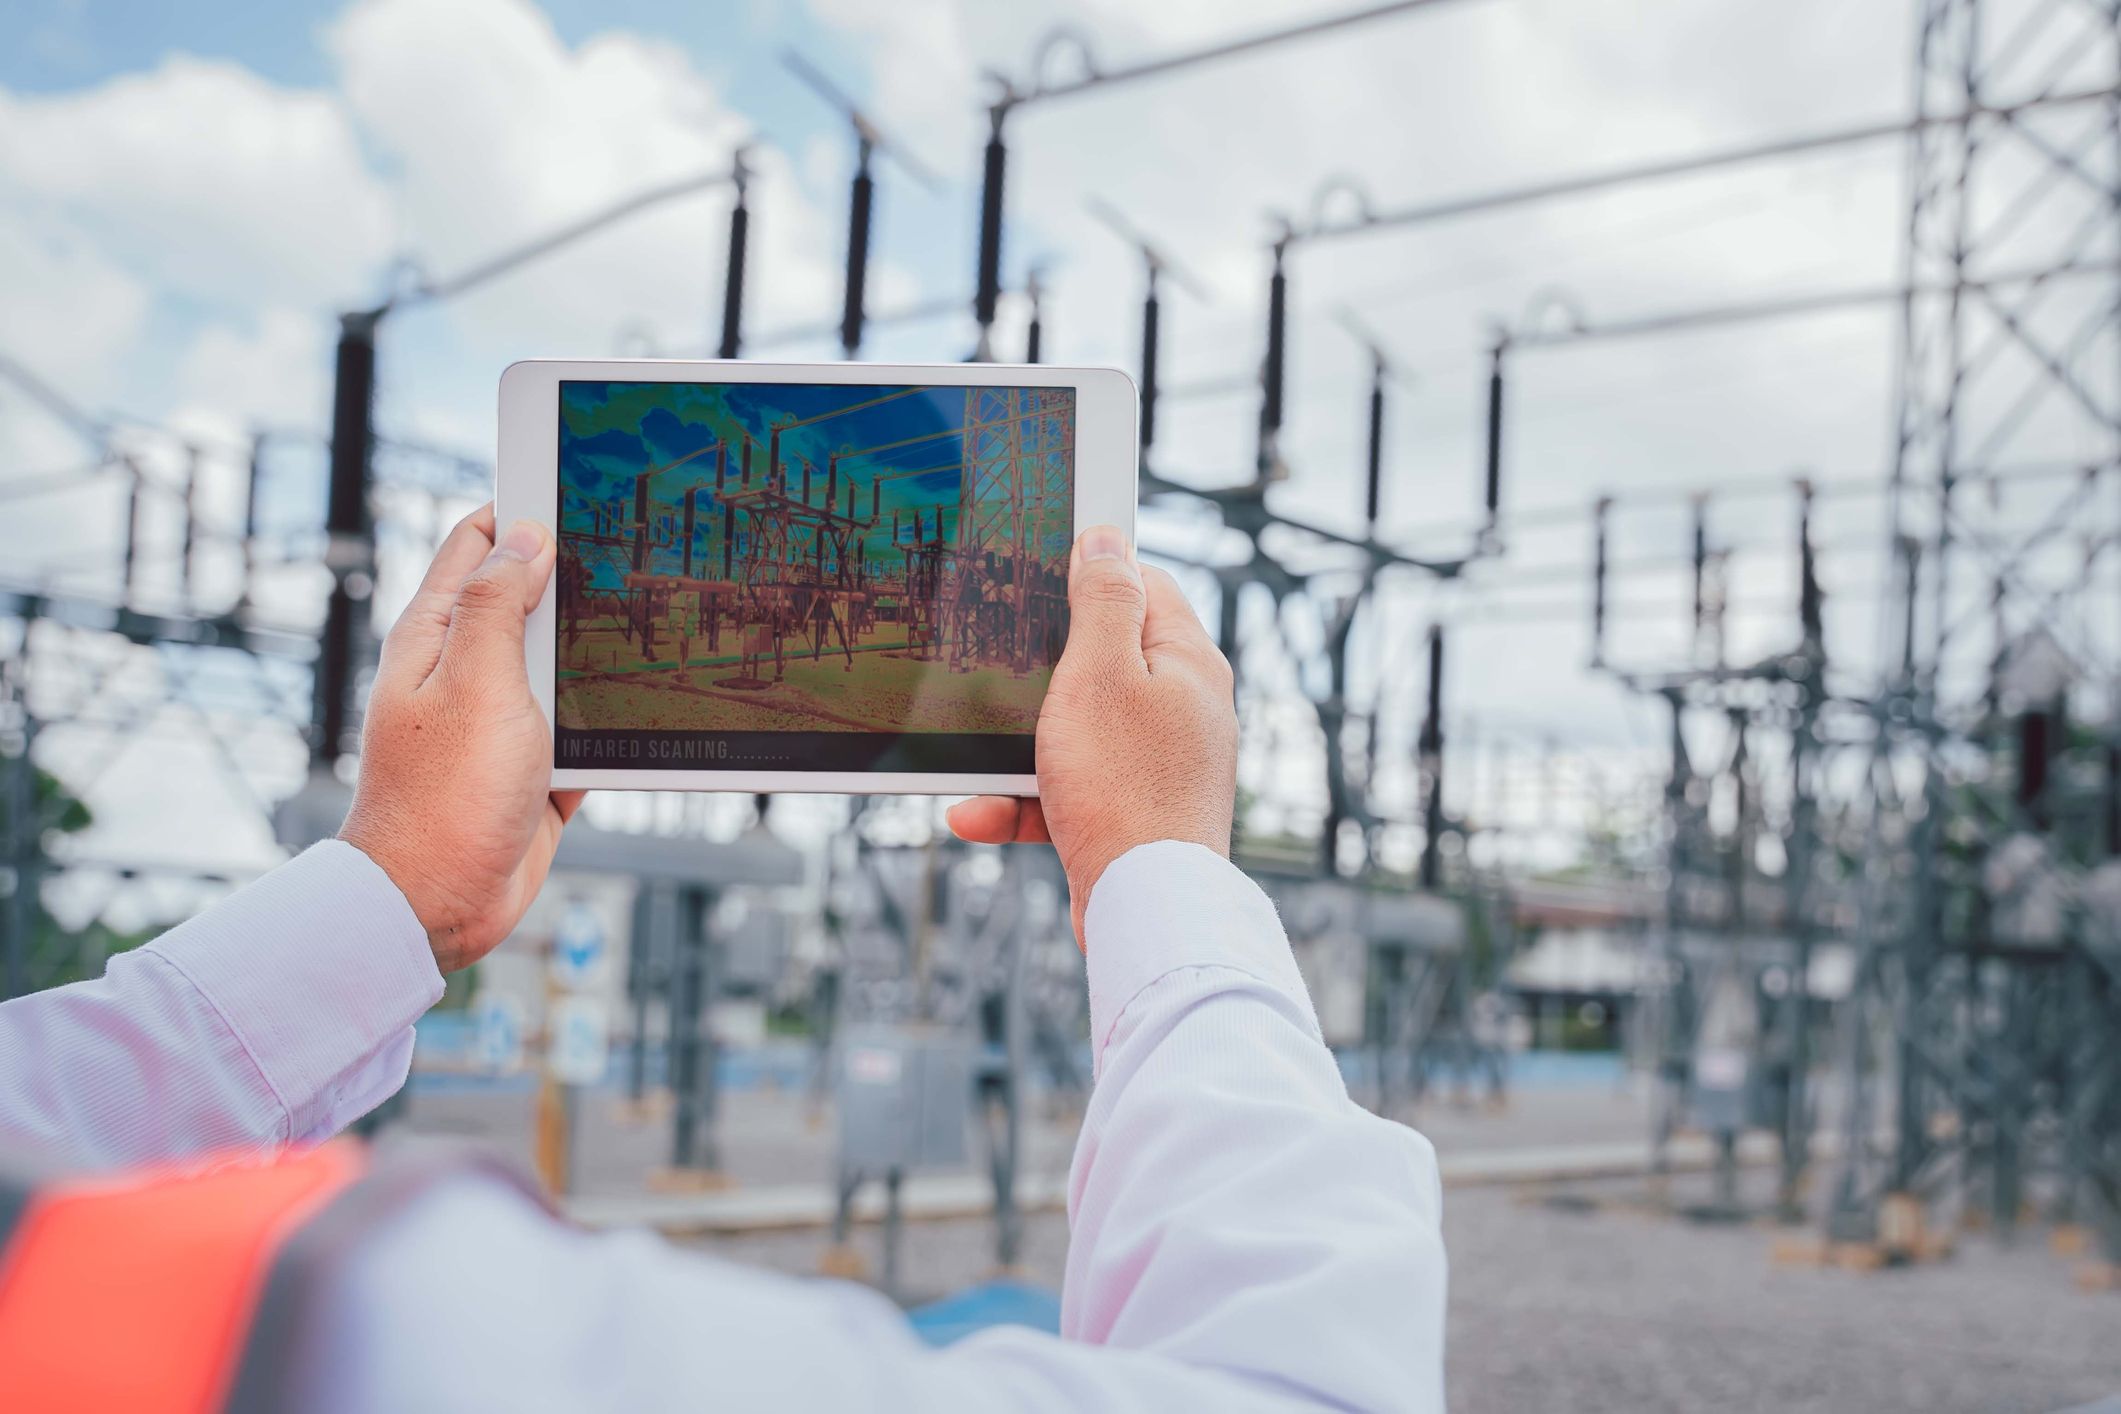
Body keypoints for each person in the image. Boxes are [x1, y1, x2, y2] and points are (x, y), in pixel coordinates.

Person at [0, 510, 1446, 1412]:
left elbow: (41, 1111)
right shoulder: (384, 1325)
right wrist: (1163, 867)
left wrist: (397, 892)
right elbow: (1299, 1382)